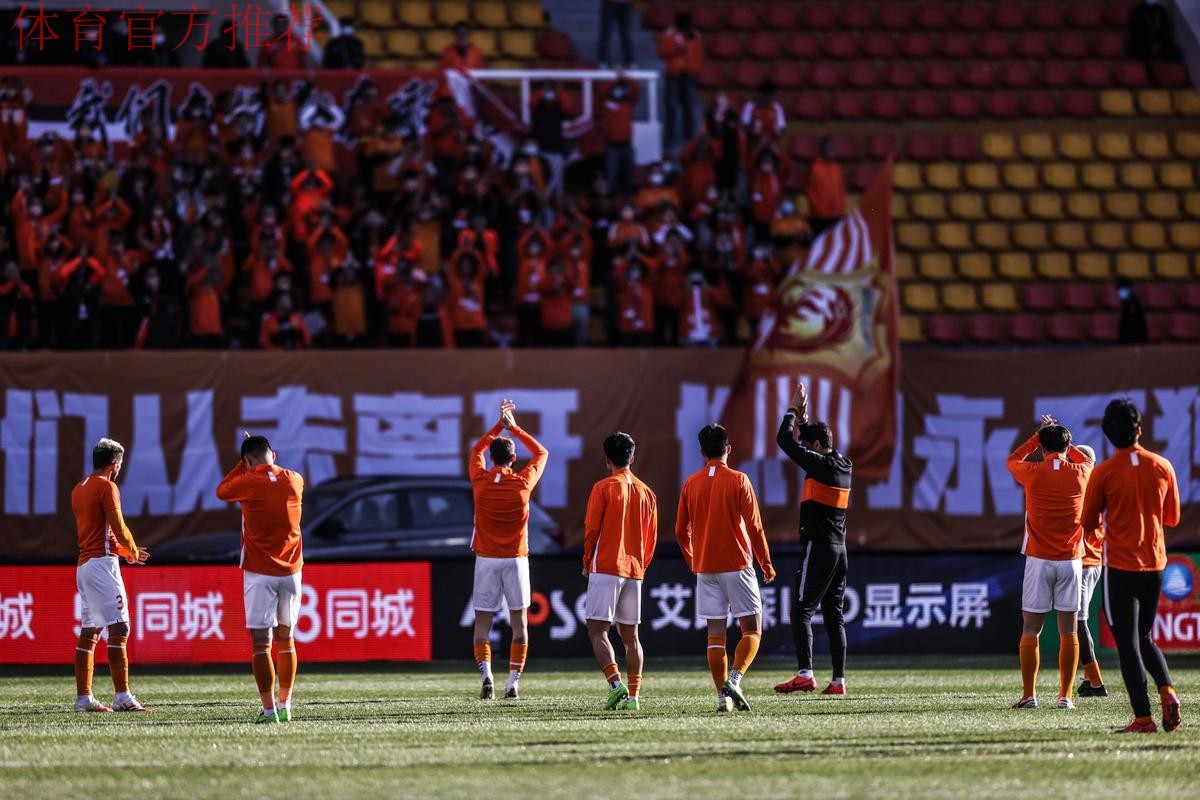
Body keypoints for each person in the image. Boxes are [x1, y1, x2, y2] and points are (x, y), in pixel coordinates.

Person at [1081, 399, 1182, 733]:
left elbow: (1088, 522)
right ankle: (1167, 690)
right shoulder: (1162, 466)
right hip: (1154, 565)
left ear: (1108, 435)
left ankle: (1143, 718)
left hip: (1120, 568)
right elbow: (1172, 517)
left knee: (1128, 645)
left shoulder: (1104, 472)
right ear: (1139, 429)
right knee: (1145, 636)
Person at [676, 424, 775, 712]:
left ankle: (723, 697)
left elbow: (681, 530)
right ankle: (734, 679)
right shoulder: (739, 480)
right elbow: (754, 526)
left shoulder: (691, 483)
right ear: (728, 449)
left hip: (706, 566)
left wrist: (693, 559)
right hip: (737, 563)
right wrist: (766, 562)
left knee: (715, 635)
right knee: (752, 630)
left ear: (702, 452)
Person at [216, 433, 305, 724]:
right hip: (291, 572)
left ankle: (269, 711)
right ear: (273, 455)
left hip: (259, 572)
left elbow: (222, 490)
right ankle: (286, 704)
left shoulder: (248, 482)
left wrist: (242, 466)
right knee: (286, 639)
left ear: (246, 461)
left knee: (261, 644)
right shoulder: (296, 480)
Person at [1006, 415, 1094, 711]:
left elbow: (1012, 460)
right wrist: (1065, 441)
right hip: (1071, 561)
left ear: (1042, 448)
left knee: (1031, 630)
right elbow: (1085, 459)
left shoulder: (1032, 472)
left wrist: (1038, 435)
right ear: (1068, 448)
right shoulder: (1082, 471)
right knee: (1069, 631)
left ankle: (1029, 695)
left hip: (1039, 560)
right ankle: (1065, 696)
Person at [772, 383, 854, 695]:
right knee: (834, 615)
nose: (803, 450)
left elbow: (784, 440)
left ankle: (805, 673)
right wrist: (805, 421)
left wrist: (792, 411)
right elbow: (806, 444)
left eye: (808, 445)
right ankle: (838, 681)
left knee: (801, 610)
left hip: (818, 547)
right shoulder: (843, 464)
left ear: (817, 446)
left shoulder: (820, 465)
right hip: (839, 549)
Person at [469, 400, 549, 700]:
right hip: (516, 560)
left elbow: (475, 451)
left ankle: (487, 675)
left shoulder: (480, 480)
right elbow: (541, 453)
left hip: (486, 559)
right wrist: (514, 428)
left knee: (482, 625)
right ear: (514, 458)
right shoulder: (522, 483)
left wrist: (498, 426)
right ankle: (513, 682)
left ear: (491, 458)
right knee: (519, 625)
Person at [71, 438, 150, 713]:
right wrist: (132, 550)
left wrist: (126, 551)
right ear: (115, 464)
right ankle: (122, 697)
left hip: (84, 565)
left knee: (90, 631)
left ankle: (84, 698)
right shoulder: (107, 487)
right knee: (120, 628)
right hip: (102, 567)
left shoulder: (79, 488)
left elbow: (100, 532)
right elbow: (118, 526)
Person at [583, 432, 658, 712]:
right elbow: (651, 537)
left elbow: (592, 529)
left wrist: (587, 559)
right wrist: (642, 565)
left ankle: (616, 685)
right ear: (632, 458)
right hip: (634, 569)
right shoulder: (647, 492)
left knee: (597, 630)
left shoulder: (603, 487)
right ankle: (634, 697)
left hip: (606, 565)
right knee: (632, 637)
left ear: (607, 460)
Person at [1075, 444, 1109, 699]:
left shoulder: (1084, 486)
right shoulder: (1100, 486)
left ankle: (1096, 682)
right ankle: (1089, 679)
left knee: (1078, 621)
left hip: (1085, 560)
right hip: (1094, 559)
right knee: (1079, 620)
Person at [658, 12, 702, 152]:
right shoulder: (669, 34)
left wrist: (692, 70)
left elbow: (698, 56)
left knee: (689, 107)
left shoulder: (695, 35)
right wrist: (674, 49)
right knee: (670, 107)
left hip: (687, 75)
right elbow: (662, 53)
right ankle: (669, 140)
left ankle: (689, 139)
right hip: (673, 75)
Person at [807, 137, 847, 238]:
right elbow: (810, 191)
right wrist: (818, 209)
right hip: (820, 217)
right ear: (823, 150)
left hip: (836, 214)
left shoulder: (837, 168)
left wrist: (840, 207)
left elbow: (841, 189)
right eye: (831, 148)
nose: (834, 150)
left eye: (834, 148)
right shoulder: (814, 168)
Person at [598, 0, 634, 68]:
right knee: (605, 33)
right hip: (610, 3)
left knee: (626, 34)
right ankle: (603, 61)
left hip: (626, 4)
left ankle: (630, 60)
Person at [1116, 278, 1149, 344]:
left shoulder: (1135, 302)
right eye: (1119, 290)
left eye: (1123, 289)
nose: (1121, 292)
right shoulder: (1125, 303)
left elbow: (1139, 324)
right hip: (1127, 339)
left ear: (1130, 289)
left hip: (1135, 339)